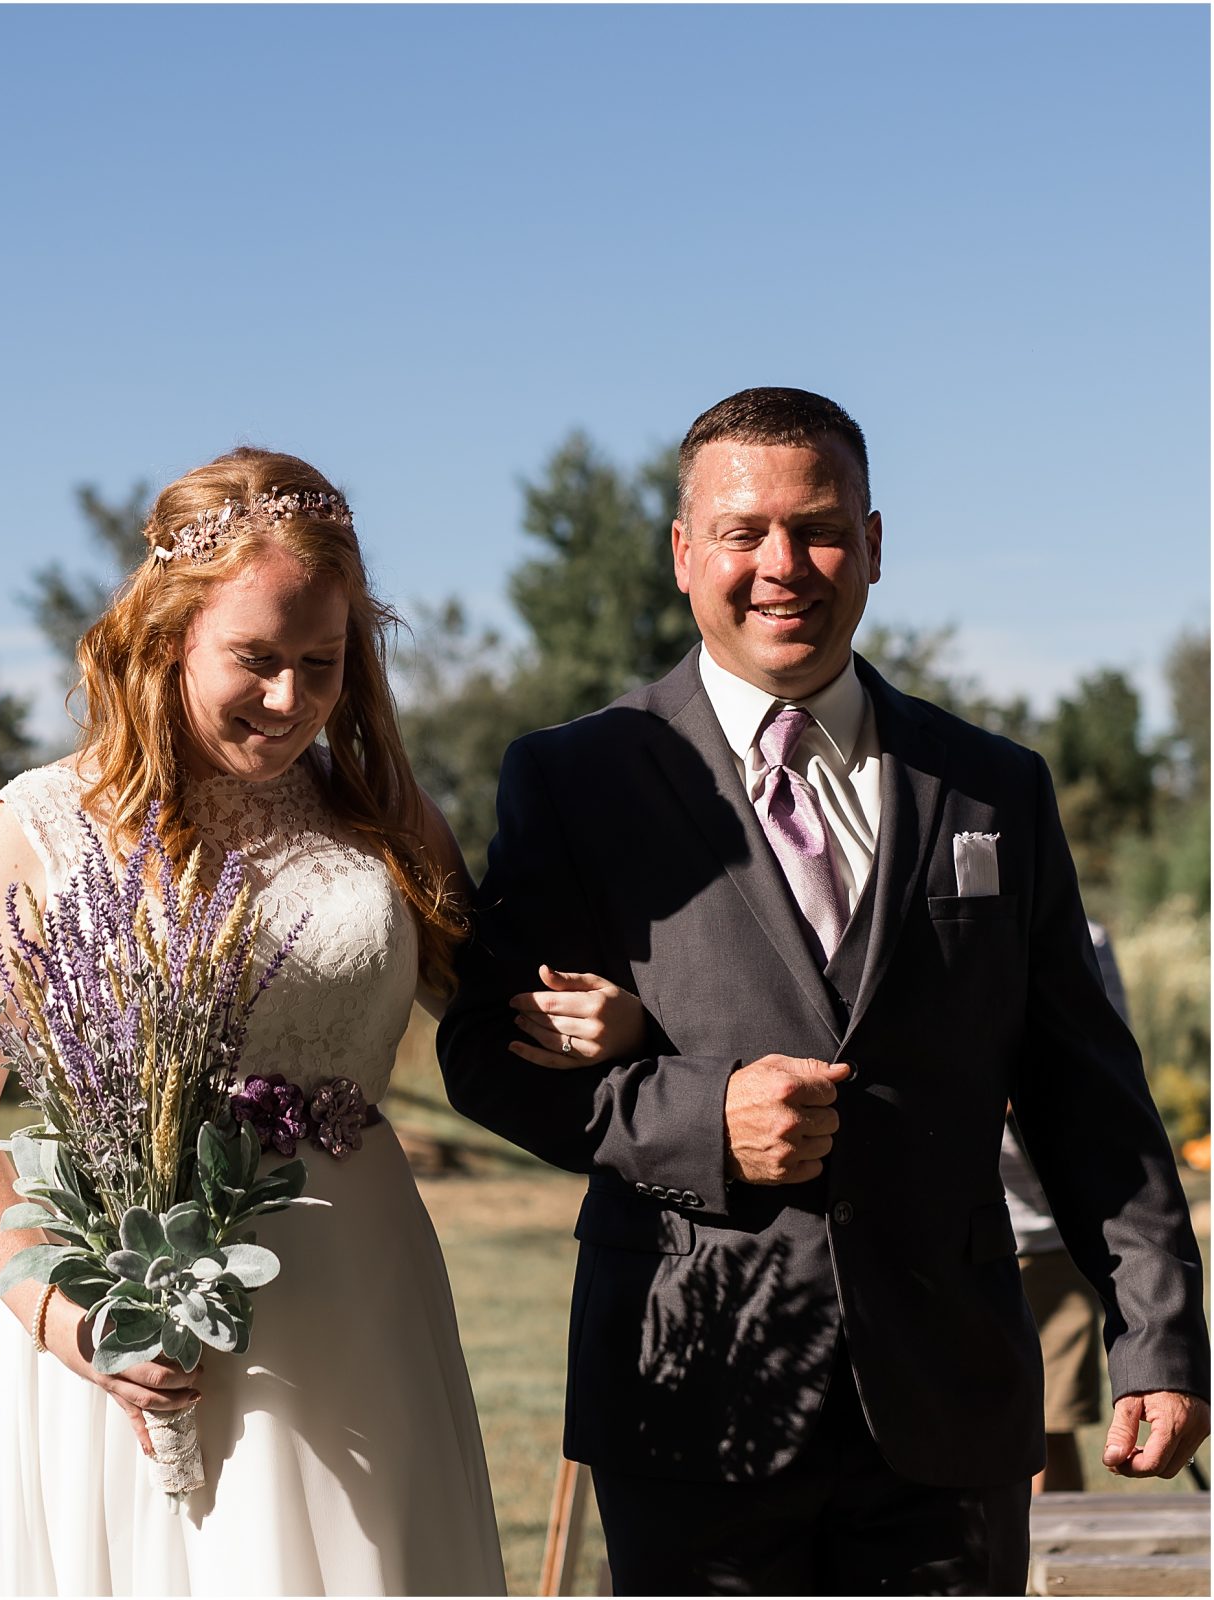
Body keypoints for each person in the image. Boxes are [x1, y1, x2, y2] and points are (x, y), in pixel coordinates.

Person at [438, 388, 1211, 1596]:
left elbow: (1083, 1087)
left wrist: (1158, 1334)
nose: (783, 564)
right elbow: (486, 1052)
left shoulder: (994, 786)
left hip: (949, 1402)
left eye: (821, 527)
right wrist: (708, 1119)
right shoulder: (576, 778)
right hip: (693, 1397)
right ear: (685, 553)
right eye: (744, 532)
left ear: (877, 544)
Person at [0, 447, 642, 1597]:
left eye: (322, 663)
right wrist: (64, 1318)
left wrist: (618, 1023)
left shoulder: (387, 819)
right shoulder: (44, 825)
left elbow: (503, 1016)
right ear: (168, 636)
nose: (291, 698)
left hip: (360, 1293)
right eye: (255, 659)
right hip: (119, 1311)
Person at [1001, 918, 1128, 1493]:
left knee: (1046, 1433)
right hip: (940, 1227)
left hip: (1047, 1234)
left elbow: (1102, 1070)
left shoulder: (1083, 935)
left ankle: (1050, 1577)